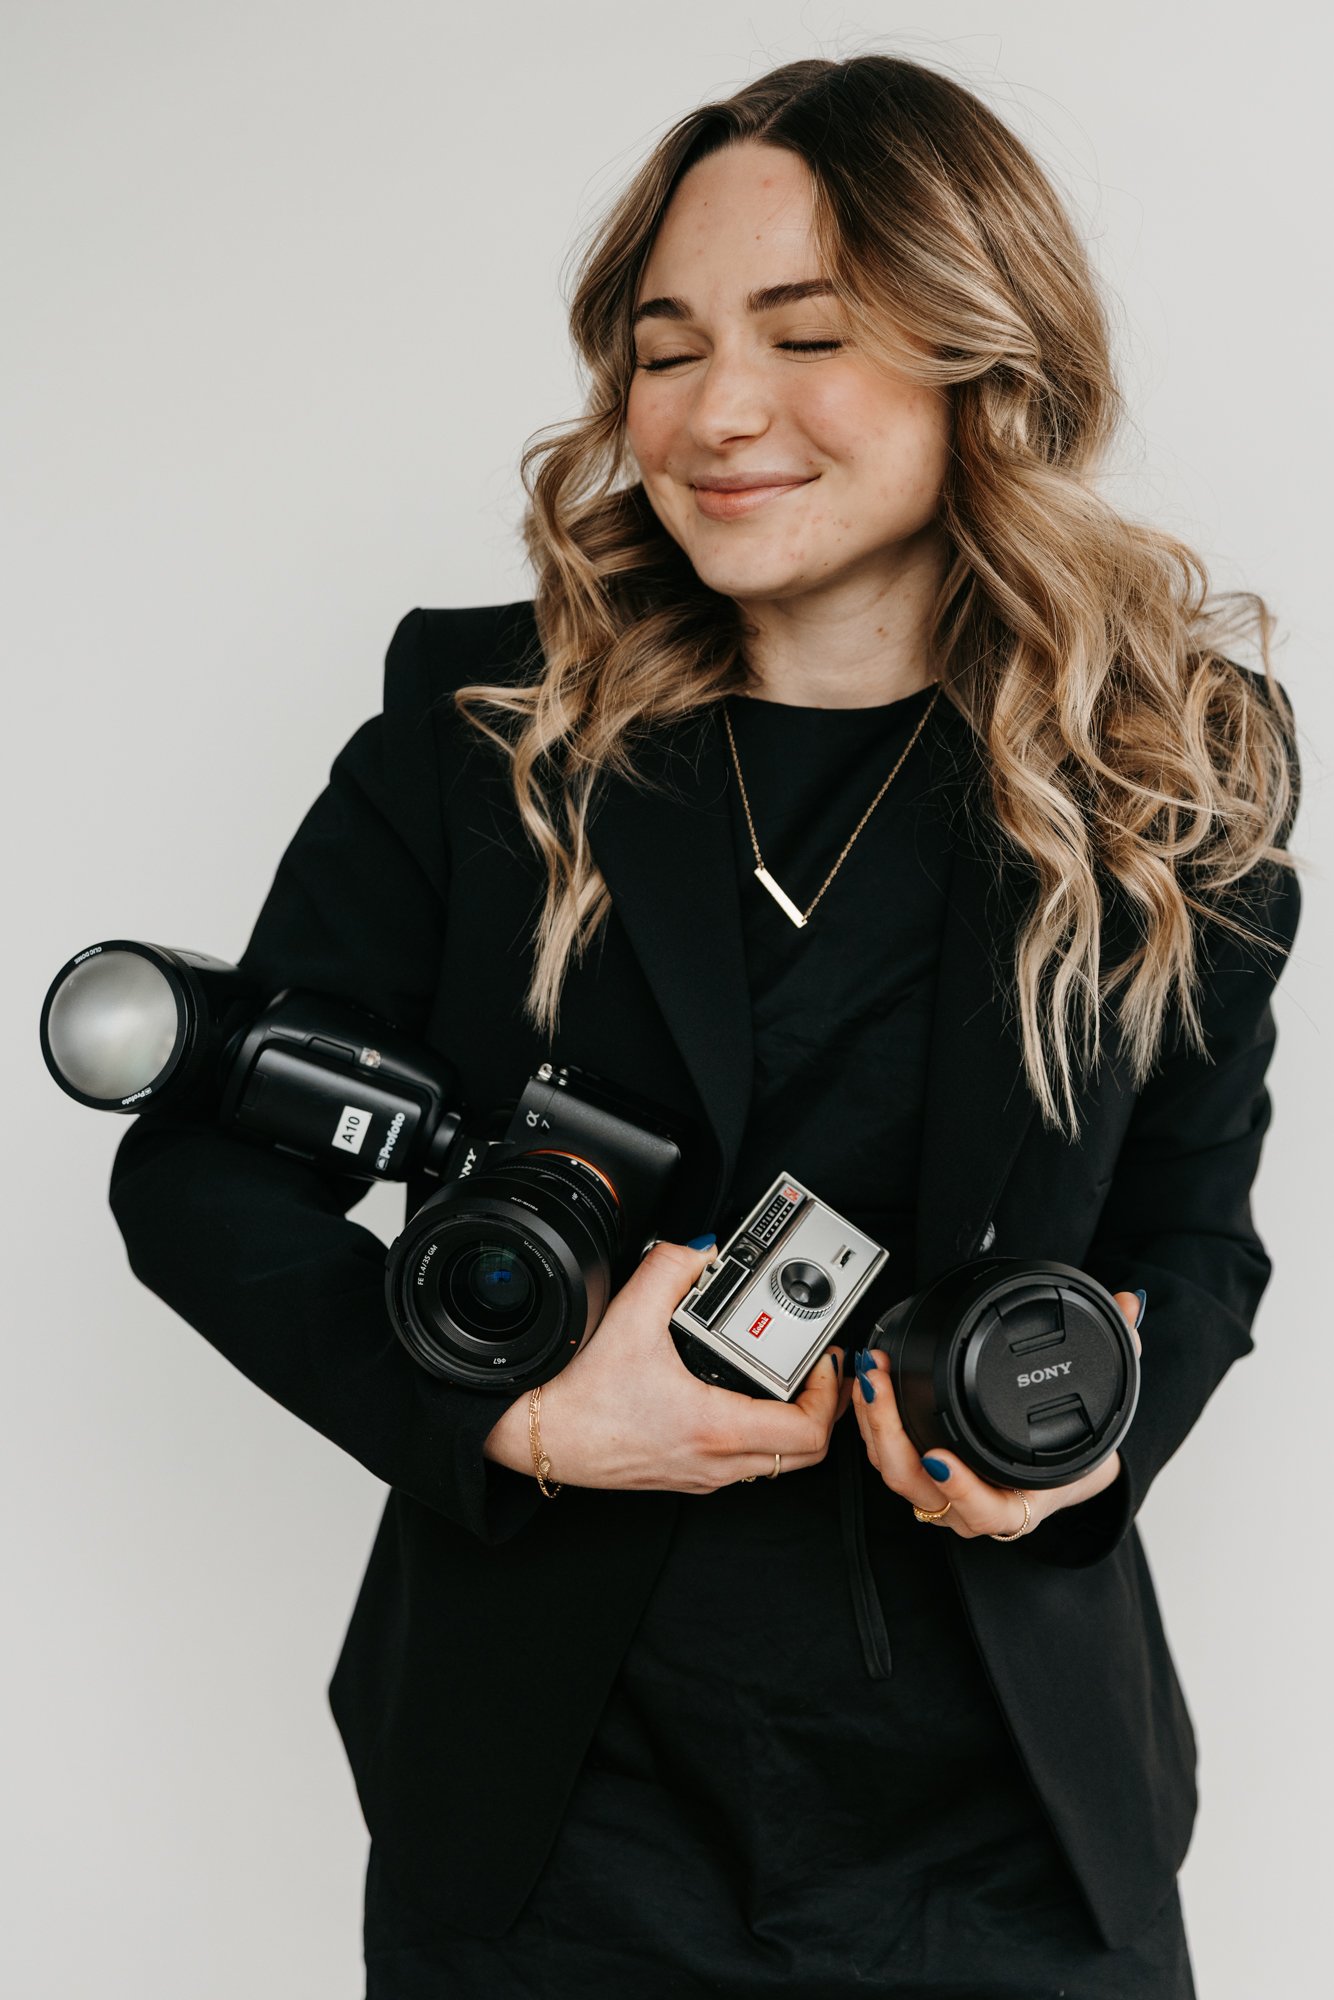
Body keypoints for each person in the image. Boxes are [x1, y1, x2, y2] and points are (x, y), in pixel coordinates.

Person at [107, 53, 1301, 1999]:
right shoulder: (477, 731)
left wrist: (1091, 1439)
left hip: (1009, 1842)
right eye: (664, 349)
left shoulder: (1171, 766)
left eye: (804, 334)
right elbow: (197, 1169)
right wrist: (519, 1412)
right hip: (553, 1830)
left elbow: (1192, 1229)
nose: (715, 411)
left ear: (981, 359)